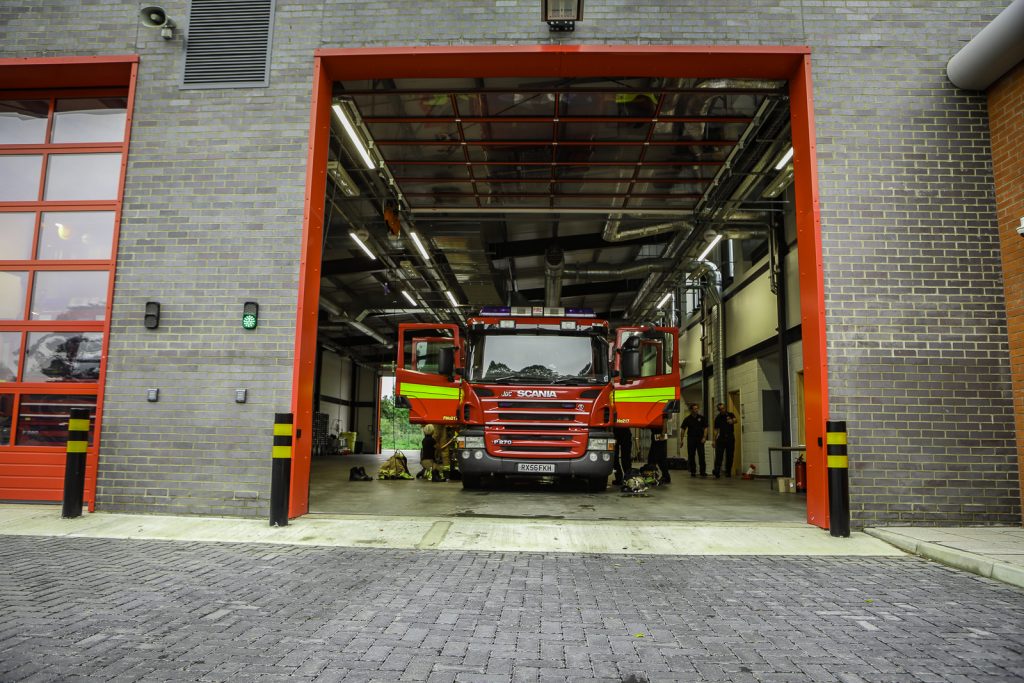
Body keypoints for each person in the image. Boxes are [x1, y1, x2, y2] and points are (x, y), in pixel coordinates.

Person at [680, 403, 708, 478]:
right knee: (691, 455)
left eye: (697, 408)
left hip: (700, 438)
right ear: (691, 410)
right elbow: (683, 429)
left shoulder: (701, 418)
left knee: (701, 455)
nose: (696, 410)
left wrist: (704, 437)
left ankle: (703, 471)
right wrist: (681, 440)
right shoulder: (687, 419)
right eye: (694, 409)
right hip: (691, 439)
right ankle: (693, 471)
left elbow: (705, 428)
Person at [712, 402, 737, 479]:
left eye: (723, 408)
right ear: (719, 410)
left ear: (725, 408)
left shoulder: (730, 414)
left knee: (730, 455)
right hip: (721, 438)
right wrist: (714, 440)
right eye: (720, 409)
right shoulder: (717, 418)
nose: (722, 410)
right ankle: (717, 471)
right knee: (719, 455)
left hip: (730, 437)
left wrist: (732, 421)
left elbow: (736, 420)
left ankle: (728, 472)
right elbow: (716, 430)